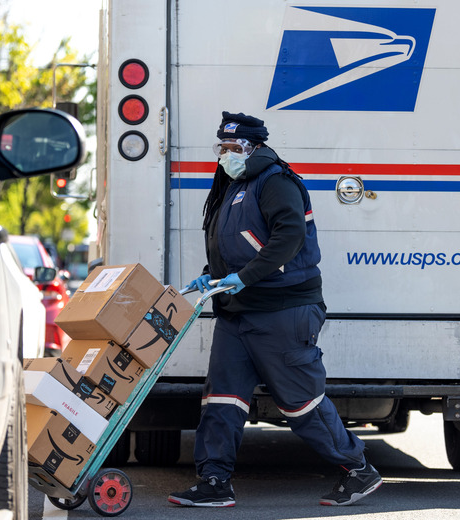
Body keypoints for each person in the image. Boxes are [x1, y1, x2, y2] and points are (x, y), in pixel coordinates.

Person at [168, 112, 382, 508]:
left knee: (301, 403)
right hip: (237, 312)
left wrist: (246, 276)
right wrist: (209, 275)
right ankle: (214, 480)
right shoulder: (232, 187)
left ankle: (358, 470)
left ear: (254, 148)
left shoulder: (276, 182)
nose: (226, 155)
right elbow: (234, 245)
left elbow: (289, 236)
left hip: (283, 311)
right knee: (222, 397)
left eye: (234, 148)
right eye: (222, 148)